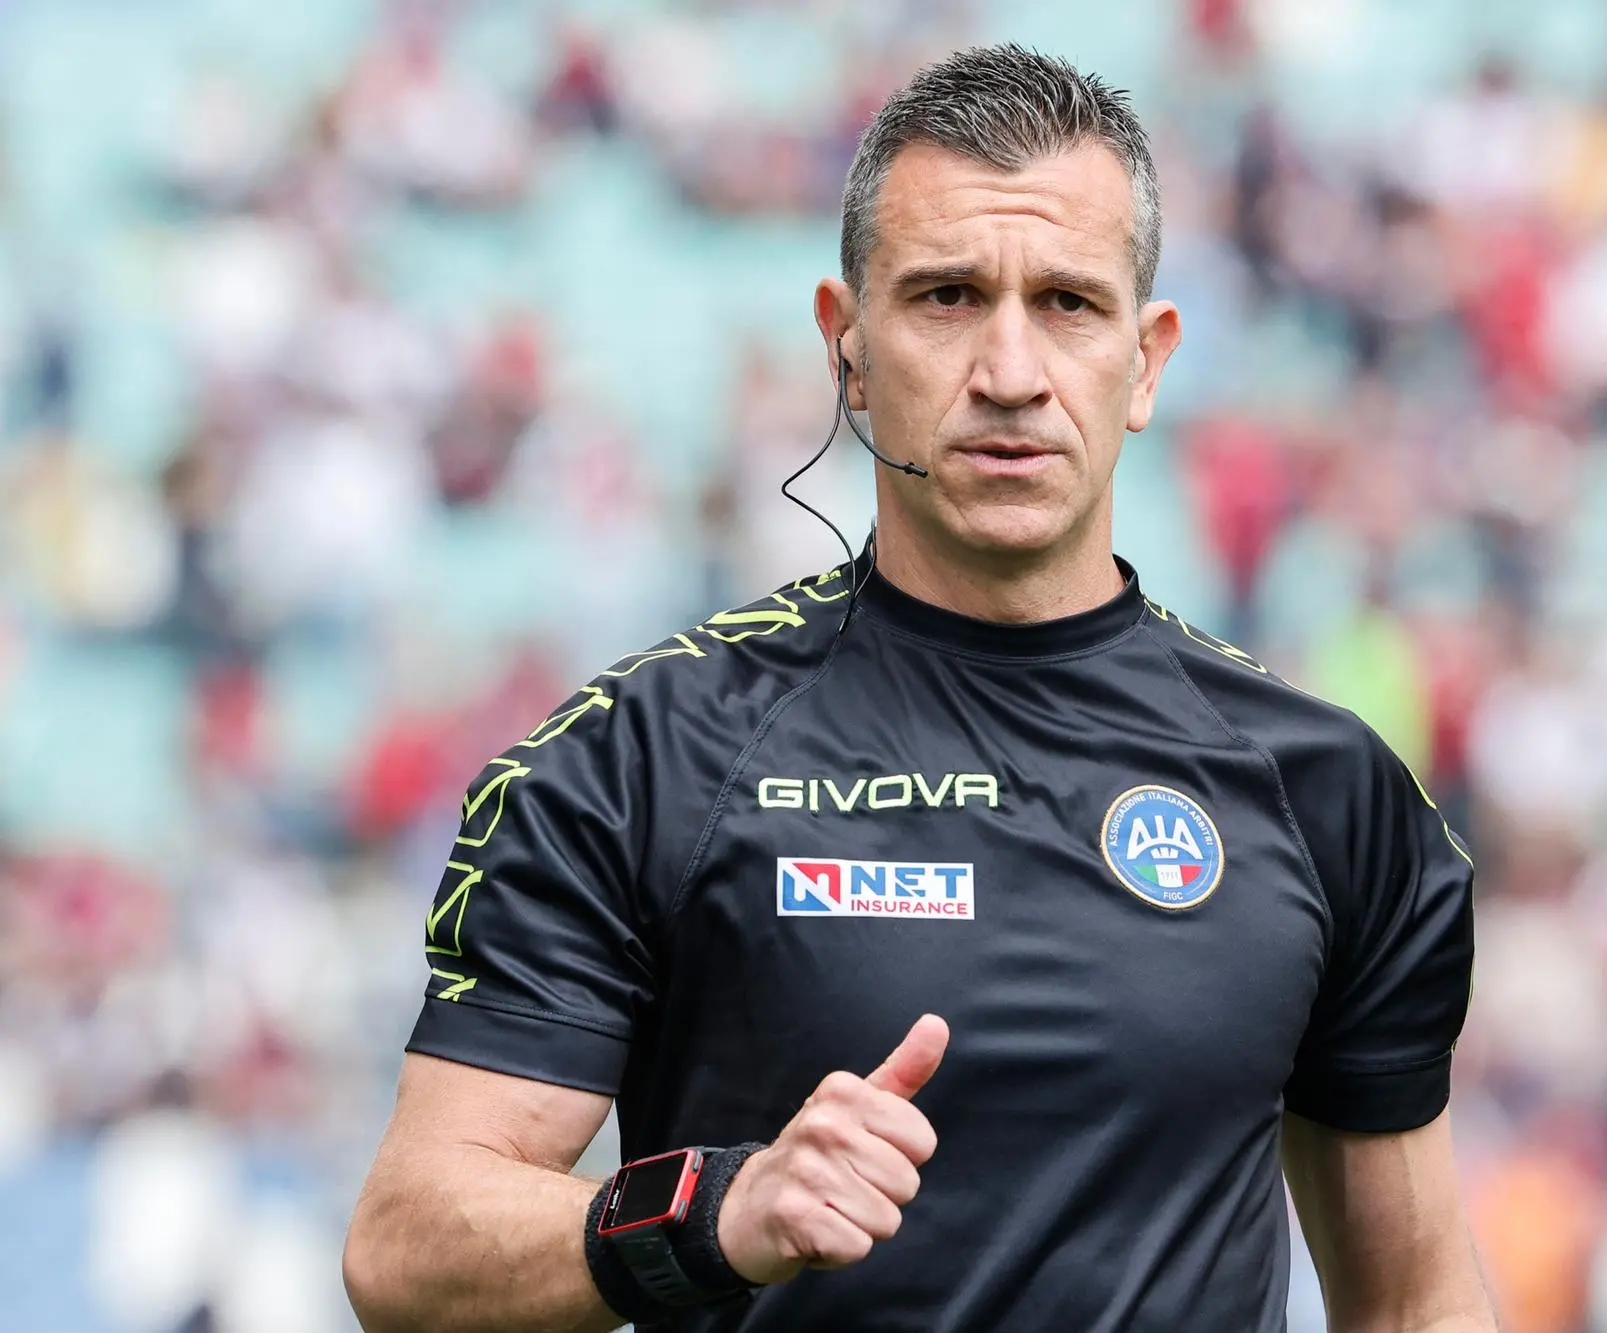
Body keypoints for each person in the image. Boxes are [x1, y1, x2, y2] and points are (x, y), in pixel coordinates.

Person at [343, 44, 1495, 1333]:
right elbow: (408, 1251)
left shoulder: (1328, 790)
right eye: (947, 298)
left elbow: (1415, 1302)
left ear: (1151, 358)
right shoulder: (637, 760)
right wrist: (715, 1212)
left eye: (1068, 303)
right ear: (845, 346)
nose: (1010, 373)